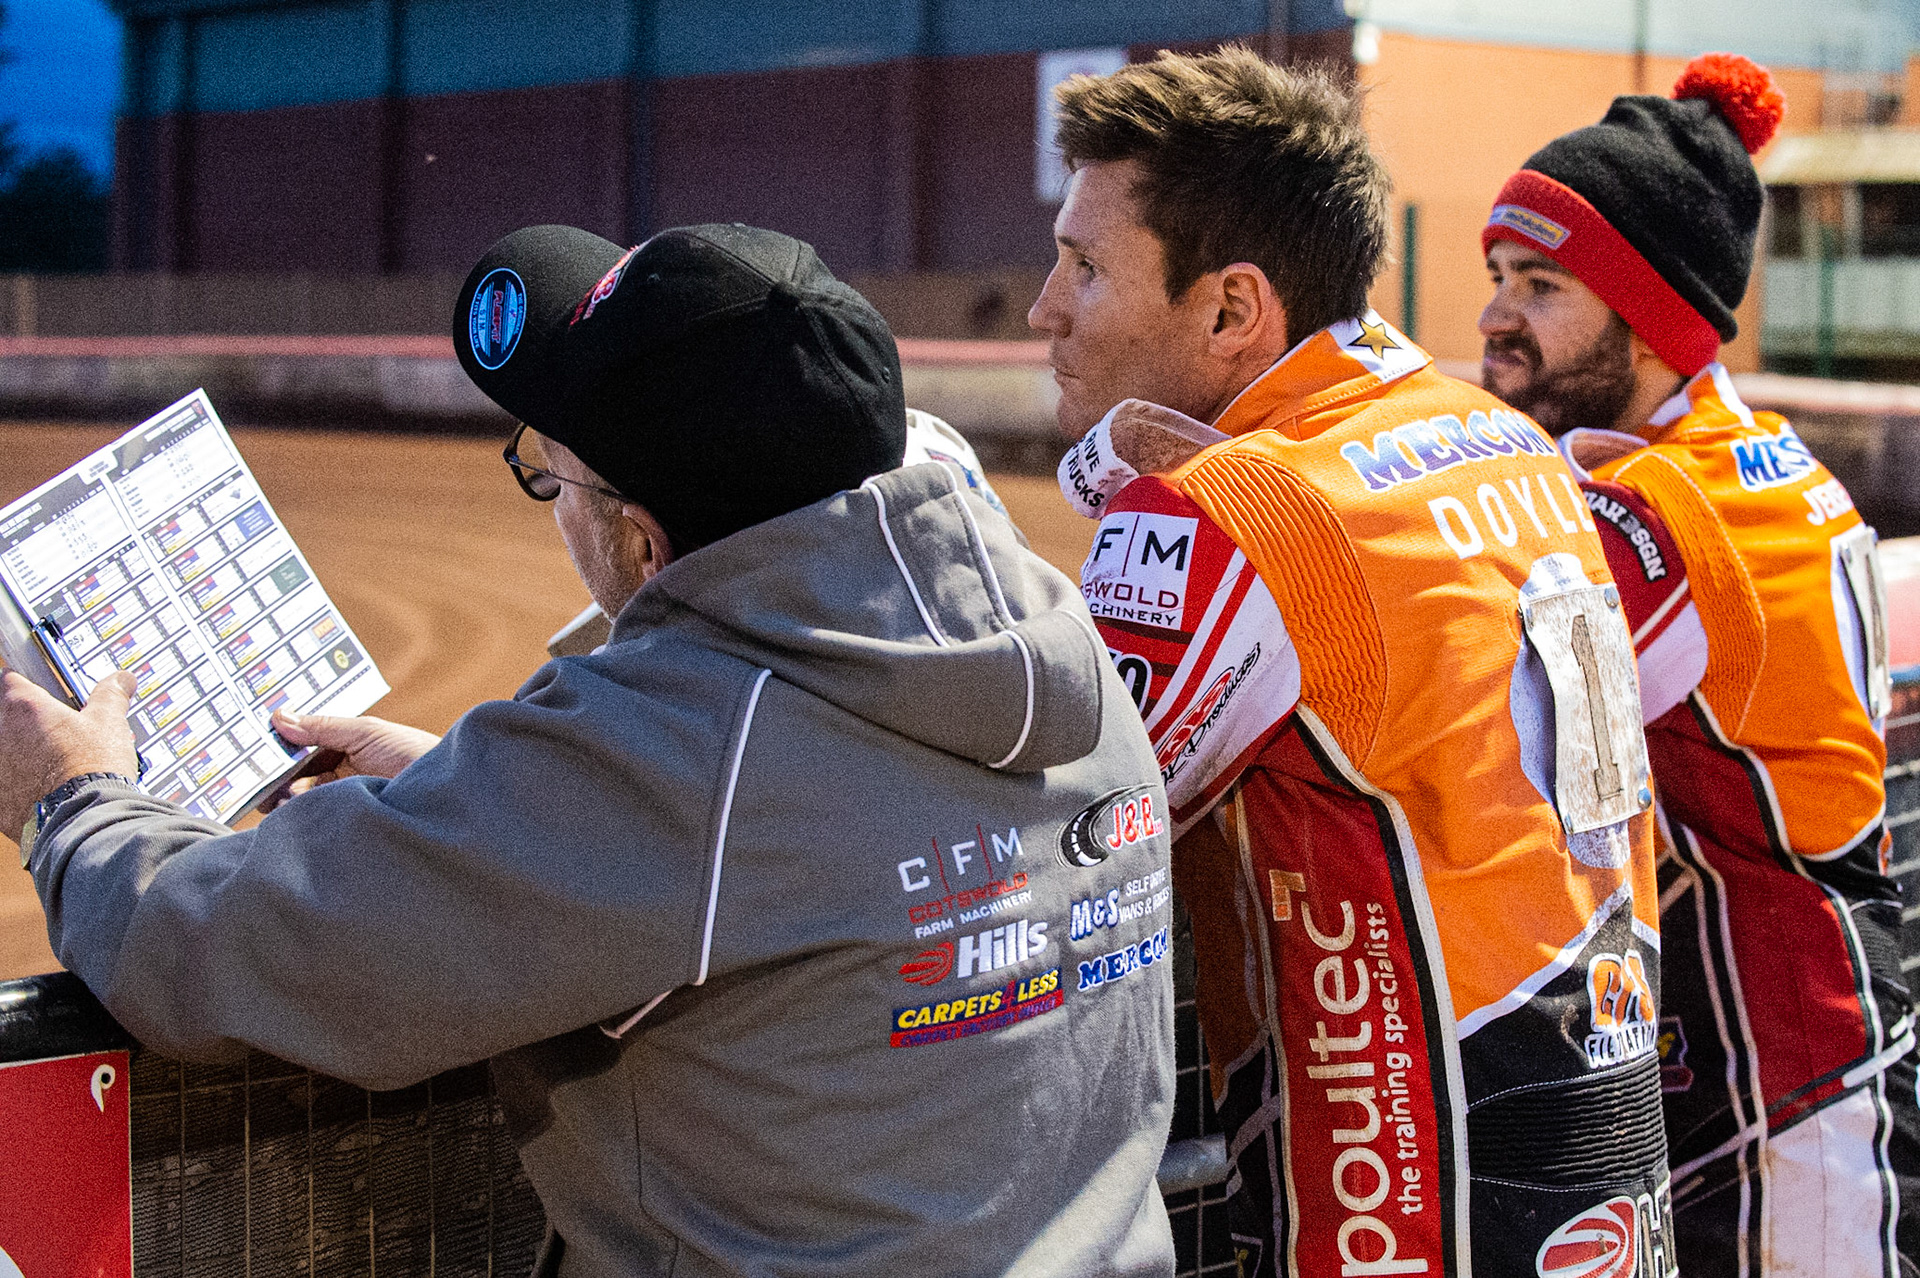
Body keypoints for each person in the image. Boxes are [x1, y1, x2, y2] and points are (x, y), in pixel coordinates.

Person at [0, 223, 1179, 1276]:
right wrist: (475, 798)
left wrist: (71, 796)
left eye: (549, 472)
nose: (551, 494)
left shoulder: (681, 761)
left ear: (644, 545)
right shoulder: (1057, 644)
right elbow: (803, 846)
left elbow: (210, 947)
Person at [1035, 47, 1671, 1276]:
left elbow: (1044, 838)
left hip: (1408, 1209)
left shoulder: (1236, 510)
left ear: (1232, 310)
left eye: (1085, 266)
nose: (1044, 308)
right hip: (1606, 1146)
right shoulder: (1504, 436)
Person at [1479, 53, 1918, 1275]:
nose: (1497, 317)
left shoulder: (1667, 505)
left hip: (1783, 1081)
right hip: (1807, 1039)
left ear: (1654, 317)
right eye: (1498, 277)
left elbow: (1473, 713)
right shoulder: (1756, 462)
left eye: (1543, 285)